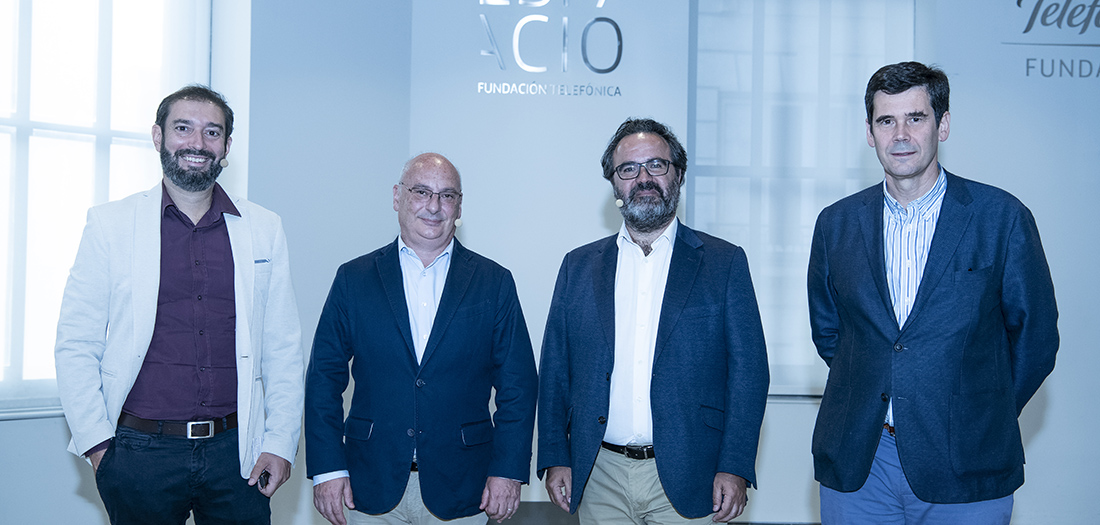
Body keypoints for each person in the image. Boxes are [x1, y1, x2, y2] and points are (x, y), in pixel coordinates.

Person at [807, 61, 1059, 524]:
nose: (900, 134)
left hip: (968, 459)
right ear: (870, 133)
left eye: (915, 118)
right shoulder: (835, 224)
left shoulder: (1001, 218)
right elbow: (830, 333)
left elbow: (1036, 339)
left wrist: (981, 410)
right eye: (886, 120)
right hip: (861, 462)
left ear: (942, 125)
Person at [54, 85, 304, 524]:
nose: (197, 143)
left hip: (237, 455)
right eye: (183, 128)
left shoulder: (264, 228)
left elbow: (282, 347)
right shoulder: (110, 225)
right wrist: (98, 447)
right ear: (158, 136)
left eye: (212, 132)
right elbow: (76, 342)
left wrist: (280, 442)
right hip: (138, 453)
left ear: (227, 146)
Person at [537, 118, 770, 524]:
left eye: (656, 165)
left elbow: (749, 373)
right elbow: (556, 368)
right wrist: (556, 455)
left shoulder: (724, 263)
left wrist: (734, 465)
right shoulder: (578, 266)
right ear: (614, 184)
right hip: (599, 475)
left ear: (678, 175)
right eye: (628, 169)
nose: (643, 178)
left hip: (692, 474)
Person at [305, 153, 538, 525]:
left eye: (447, 195)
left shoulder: (494, 282)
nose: (434, 206)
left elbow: (519, 386)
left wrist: (508, 470)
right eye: (421, 192)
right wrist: (328, 469)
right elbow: (323, 380)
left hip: (465, 486)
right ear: (397, 197)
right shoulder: (354, 279)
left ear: (459, 206)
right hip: (368, 484)